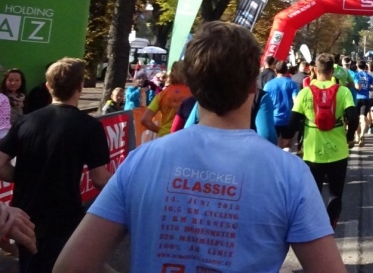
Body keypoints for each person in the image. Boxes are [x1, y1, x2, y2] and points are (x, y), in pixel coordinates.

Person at [55, 22, 344, 273]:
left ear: (192, 86)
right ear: (253, 85)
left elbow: (72, 266)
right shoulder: (289, 172)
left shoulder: (141, 160)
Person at [0, 58, 111, 272]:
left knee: (30, 265)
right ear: (80, 87)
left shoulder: (25, 121)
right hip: (64, 214)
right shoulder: (90, 126)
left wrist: (23, 176)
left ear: (48, 86)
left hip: (26, 212)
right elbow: (99, 179)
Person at [283, 53, 358, 230]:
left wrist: (287, 137)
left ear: (315, 70)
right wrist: (349, 136)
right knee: (335, 194)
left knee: (313, 193)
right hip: (338, 152)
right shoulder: (343, 92)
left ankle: (315, 227)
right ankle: (331, 224)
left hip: (312, 153)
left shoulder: (305, 92)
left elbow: (292, 123)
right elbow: (353, 118)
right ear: (332, 71)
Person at [141, 61, 192, 138]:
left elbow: (145, 120)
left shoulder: (163, 94)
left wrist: (161, 131)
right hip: (185, 136)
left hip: (165, 137)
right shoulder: (193, 93)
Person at [263, 61, 299, 149]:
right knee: (287, 146)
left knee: (275, 146)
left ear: (275, 70)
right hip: (288, 119)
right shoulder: (292, 84)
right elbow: (296, 102)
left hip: (273, 119)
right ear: (286, 71)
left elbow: (264, 103)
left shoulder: (268, 85)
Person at [354, 60, 373, 147]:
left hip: (357, 98)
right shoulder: (369, 76)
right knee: (363, 118)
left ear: (357, 66)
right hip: (366, 98)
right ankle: (362, 134)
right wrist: (368, 89)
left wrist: (355, 88)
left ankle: (357, 136)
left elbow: (358, 87)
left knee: (357, 118)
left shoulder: (356, 75)